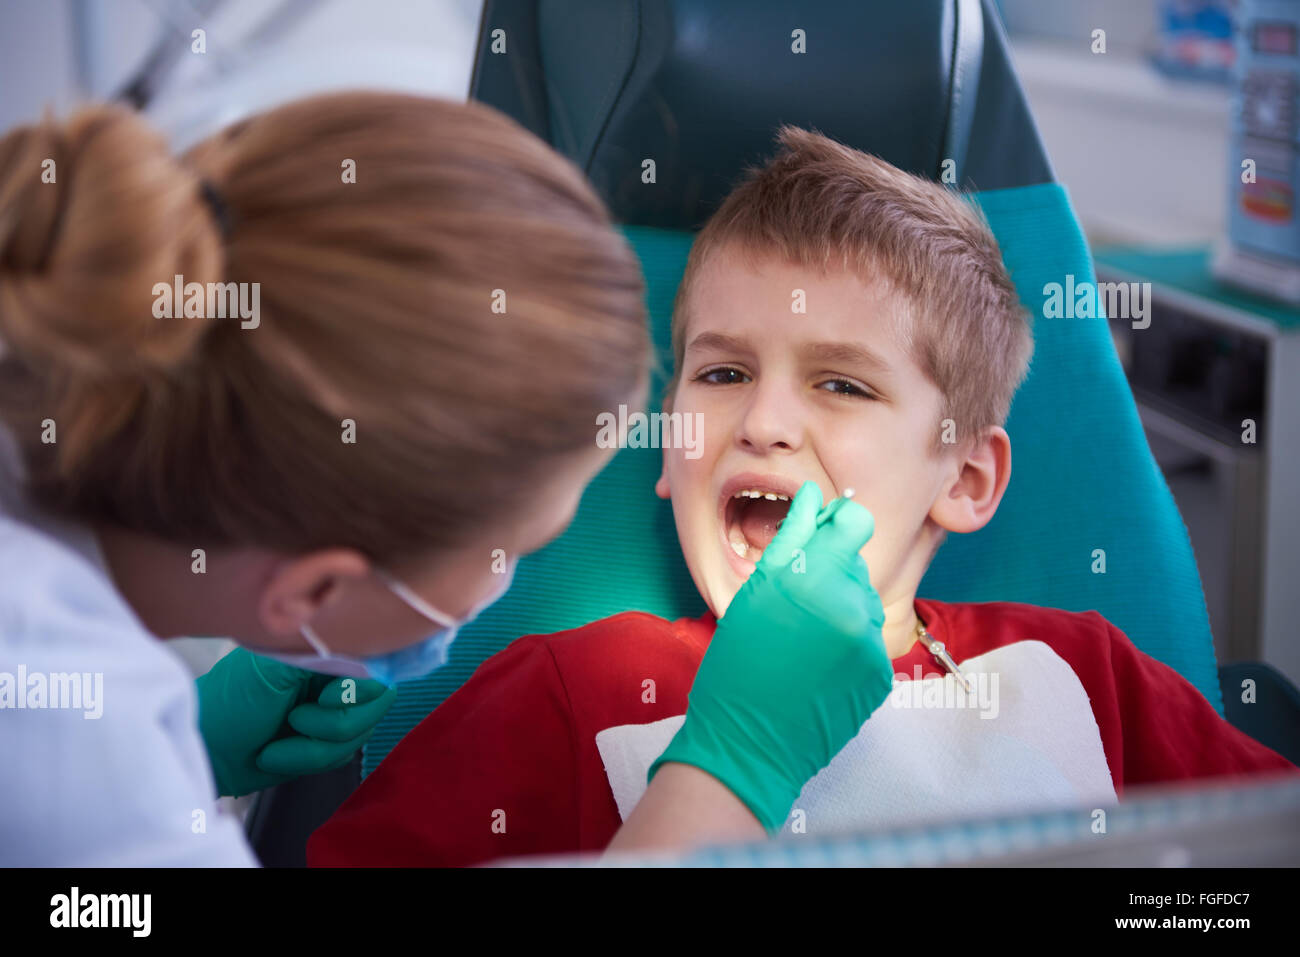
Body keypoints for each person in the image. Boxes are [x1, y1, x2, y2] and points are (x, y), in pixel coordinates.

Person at [307, 127, 1299, 867]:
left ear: (963, 478)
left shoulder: (1088, 676)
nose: (763, 423)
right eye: (722, 374)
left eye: (841, 384)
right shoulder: (569, 694)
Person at [0, 91, 650, 864]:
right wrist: (727, 771)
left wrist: (187, 749)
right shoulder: (97, 785)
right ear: (310, 594)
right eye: (507, 554)